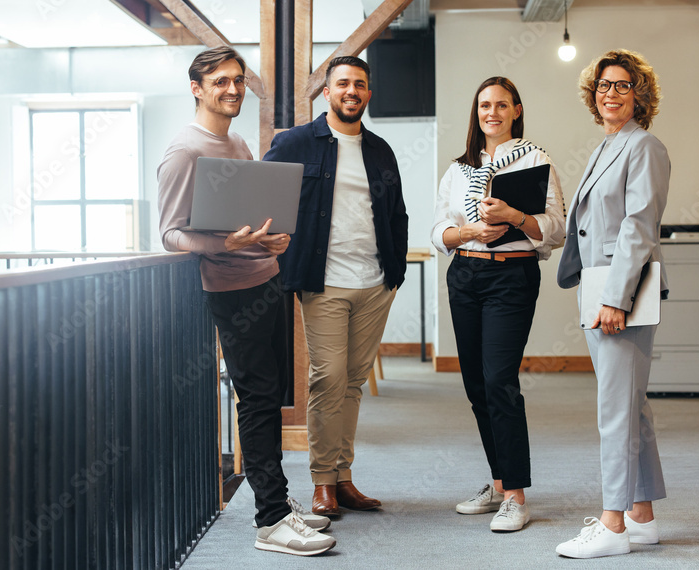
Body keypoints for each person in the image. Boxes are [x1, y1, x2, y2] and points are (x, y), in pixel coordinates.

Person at [157, 46, 335, 557]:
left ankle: (276, 502)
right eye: (221, 82)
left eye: (238, 80)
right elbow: (170, 235)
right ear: (197, 87)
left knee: (268, 400)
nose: (233, 90)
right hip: (230, 291)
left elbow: (252, 216)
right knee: (256, 402)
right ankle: (271, 519)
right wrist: (227, 246)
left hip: (265, 279)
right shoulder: (184, 151)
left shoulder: (235, 141)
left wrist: (267, 240)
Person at [263, 56, 408, 518]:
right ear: (326, 92)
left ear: (368, 94)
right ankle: (322, 481)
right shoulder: (294, 143)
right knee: (327, 379)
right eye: (342, 83)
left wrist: (396, 273)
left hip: (374, 283)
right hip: (323, 282)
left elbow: (397, 214)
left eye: (360, 84)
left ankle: (344, 478)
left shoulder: (380, 149)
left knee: (352, 383)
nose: (352, 91)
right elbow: (262, 199)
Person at [430, 77, 565, 533]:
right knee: (476, 387)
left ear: (516, 110)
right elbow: (437, 233)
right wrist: (468, 232)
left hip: (511, 275)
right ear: (477, 112)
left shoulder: (535, 159)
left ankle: (517, 496)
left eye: (501, 105)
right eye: (485, 105)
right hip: (464, 275)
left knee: (500, 381)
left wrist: (511, 217)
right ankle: (498, 480)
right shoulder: (458, 168)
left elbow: (557, 227)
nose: (492, 112)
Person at [555, 49, 670, 559]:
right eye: (604, 85)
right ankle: (641, 517)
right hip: (599, 289)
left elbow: (638, 228)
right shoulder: (607, 147)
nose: (611, 94)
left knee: (615, 413)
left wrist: (615, 298)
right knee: (631, 409)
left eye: (623, 86)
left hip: (618, 295)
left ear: (639, 95)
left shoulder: (644, 146)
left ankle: (612, 525)